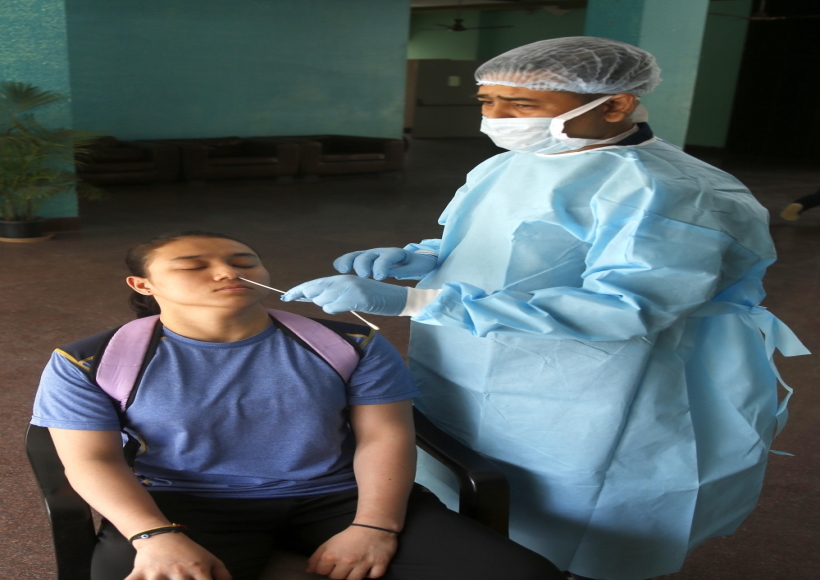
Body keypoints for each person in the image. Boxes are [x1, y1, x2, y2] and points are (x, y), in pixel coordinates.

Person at [283, 37, 809, 580]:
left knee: (577, 504)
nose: (498, 117)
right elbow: (501, 241)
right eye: (488, 101)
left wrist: (415, 301)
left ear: (616, 104)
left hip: (593, 387)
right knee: (464, 471)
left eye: (523, 104)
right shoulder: (515, 163)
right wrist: (422, 257)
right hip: (467, 356)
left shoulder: (673, 191)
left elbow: (624, 307)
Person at [30, 231, 562, 580]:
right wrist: (155, 536)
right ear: (142, 285)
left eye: (243, 261)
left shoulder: (349, 344)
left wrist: (375, 526)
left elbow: (386, 435)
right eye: (195, 266)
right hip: (187, 505)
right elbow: (91, 459)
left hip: (338, 497)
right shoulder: (91, 360)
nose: (226, 272)